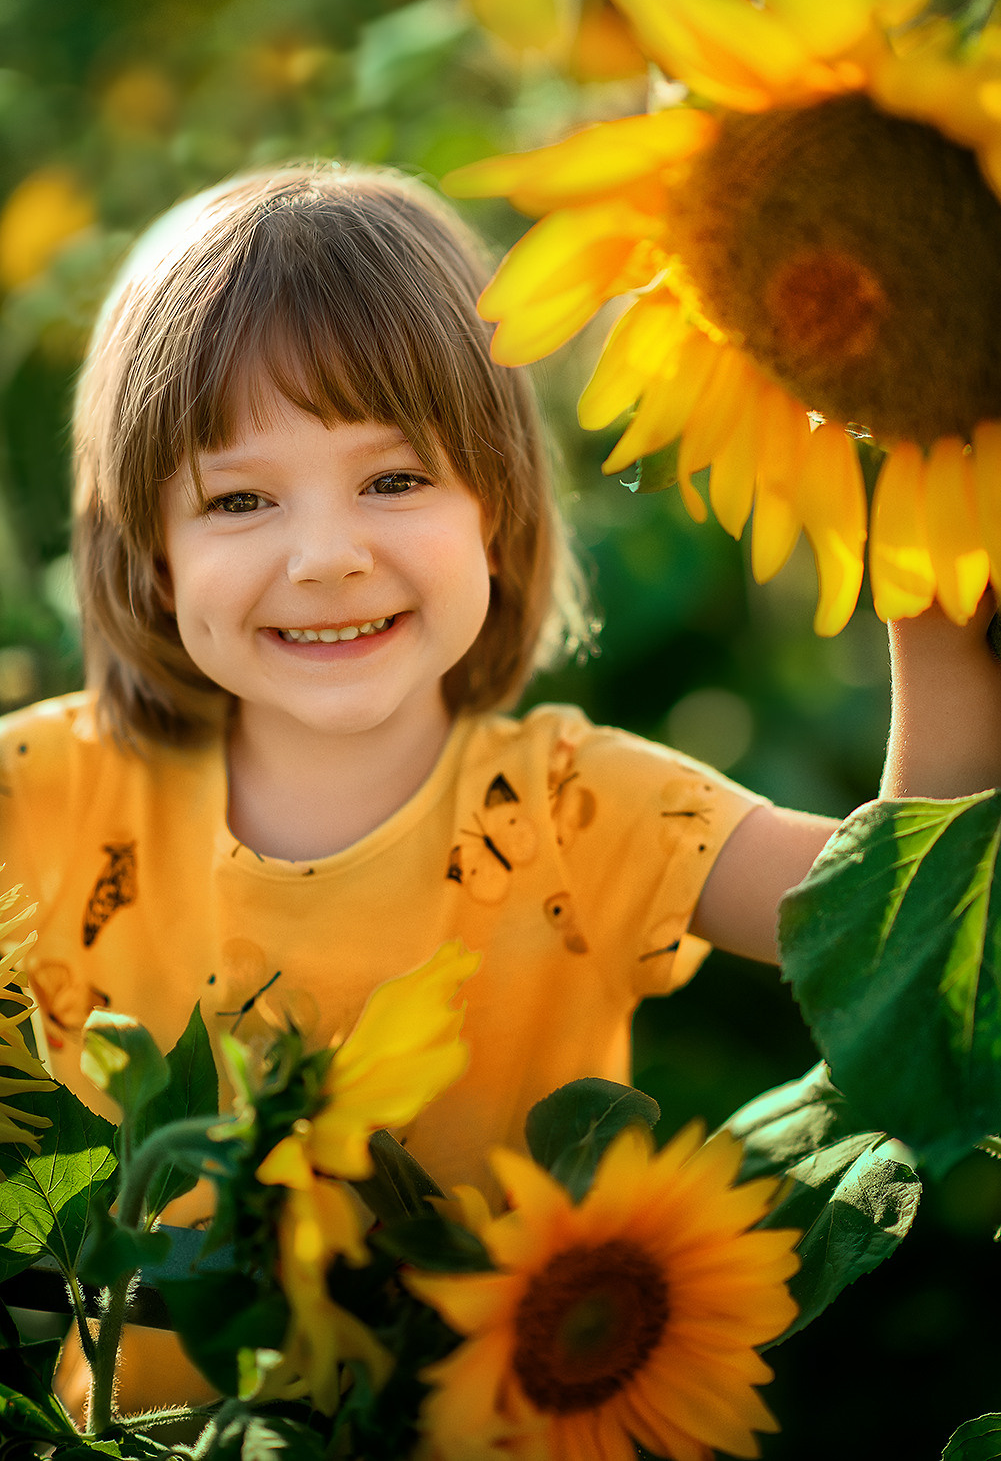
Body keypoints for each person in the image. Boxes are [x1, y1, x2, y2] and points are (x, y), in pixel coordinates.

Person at [2, 162, 1000, 1411]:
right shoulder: (42, 792)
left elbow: (898, 925)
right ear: (146, 552)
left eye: (394, 479)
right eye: (240, 499)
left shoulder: (576, 811)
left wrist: (931, 601)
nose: (325, 556)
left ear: (497, 509)